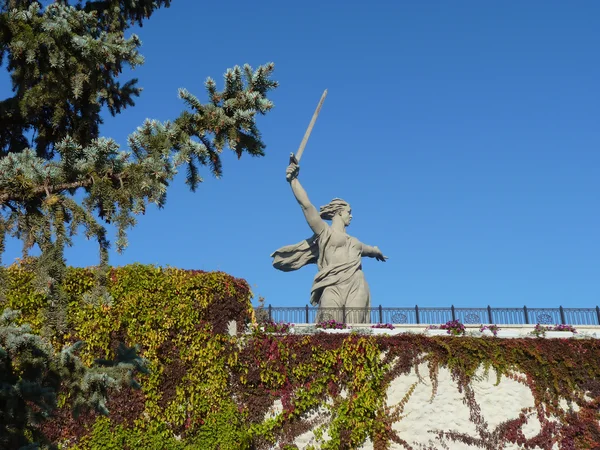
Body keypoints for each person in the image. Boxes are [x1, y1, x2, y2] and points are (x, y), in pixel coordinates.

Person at [271, 159, 387, 323]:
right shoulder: (325, 232)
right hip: (331, 285)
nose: (351, 216)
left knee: (356, 330)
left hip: (356, 284)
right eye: (349, 212)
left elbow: (370, 250)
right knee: (328, 328)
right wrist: (293, 180)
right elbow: (307, 206)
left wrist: (377, 251)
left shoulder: (355, 242)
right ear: (339, 212)